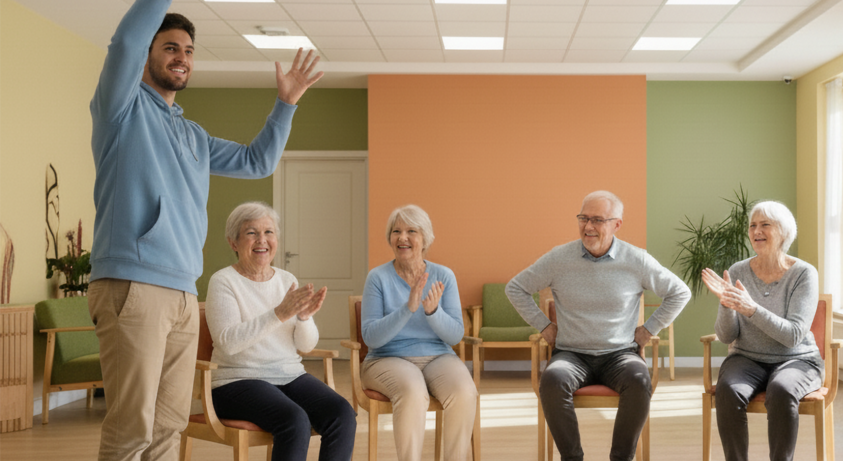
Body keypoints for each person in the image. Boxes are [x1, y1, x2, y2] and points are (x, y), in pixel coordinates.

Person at [83, 0, 324, 460]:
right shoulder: (122, 110)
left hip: (180, 293)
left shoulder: (192, 135)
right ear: (149, 55)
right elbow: (123, 45)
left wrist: (284, 106)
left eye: (188, 51)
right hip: (132, 284)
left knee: (169, 428)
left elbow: (258, 162)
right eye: (170, 47)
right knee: (131, 428)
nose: (182, 57)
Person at [505, 190, 692, 461]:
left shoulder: (636, 259)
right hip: (571, 354)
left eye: (597, 220)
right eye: (583, 218)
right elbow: (516, 288)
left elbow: (680, 292)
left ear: (617, 224)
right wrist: (544, 326)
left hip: (620, 355)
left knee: (640, 381)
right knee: (553, 380)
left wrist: (648, 330)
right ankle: (573, 457)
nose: (588, 226)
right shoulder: (559, 258)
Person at [205, 202, 354, 461]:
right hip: (236, 381)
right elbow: (228, 342)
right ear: (233, 242)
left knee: (341, 413)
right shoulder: (223, 282)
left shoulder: (287, 280)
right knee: (294, 419)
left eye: (269, 232)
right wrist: (279, 314)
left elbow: (305, 347)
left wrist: (305, 318)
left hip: (288, 375)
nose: (262, 240)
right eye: (251, 232)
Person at [704, 200, 822, 461]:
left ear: (783, 232)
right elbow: (726, 336)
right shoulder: (737, 271)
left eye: (765, 225)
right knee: (728, 390)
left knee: (781, 389)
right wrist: (727, 304)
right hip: (746, 357)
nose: (756, 231)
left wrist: (751, 309)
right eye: (753, 225)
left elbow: (793, 336)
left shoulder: (803, 274)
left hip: (797, 360)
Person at [360, 205, 477, 461]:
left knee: (464, 392)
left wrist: (434, 312)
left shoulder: (443, 275)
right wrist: (407, 309)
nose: (402, 237)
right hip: (386, 359)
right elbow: (371, 338)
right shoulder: (377, 278)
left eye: (411, 231)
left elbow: (455, 335)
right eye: (396, 231)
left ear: (425, 238)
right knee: (413, 391)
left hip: (437, 356)